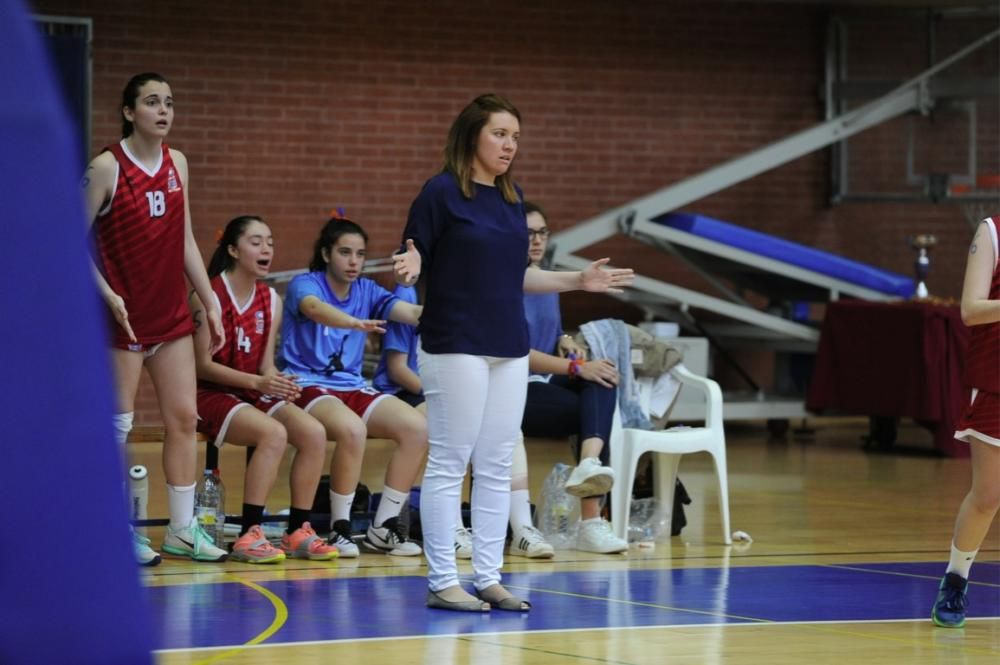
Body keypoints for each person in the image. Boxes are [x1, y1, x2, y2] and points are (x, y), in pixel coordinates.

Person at [402, 93, 634, 612]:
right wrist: (412, 264)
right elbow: (413, 251)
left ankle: (488, 576)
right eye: (499, 134)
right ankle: (443, 581)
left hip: (508, 347)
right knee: (449, 462)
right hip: (455, 343)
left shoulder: (511, 200)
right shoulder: (439, 193)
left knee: (496, 461)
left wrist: (579, 279)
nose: (509, 145)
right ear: (472, 136)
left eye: (515, 137)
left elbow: (519, 276)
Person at [83, 72, 228, 565]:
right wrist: (105, 293)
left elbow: (184, 237)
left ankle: (182, 530)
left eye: (169, 101)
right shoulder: (105, 167)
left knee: (184, 419)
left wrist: (209, 300)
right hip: (121, 320)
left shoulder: (177, 163)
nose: (163, 110)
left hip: (169, 317)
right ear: (129, 112)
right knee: (117, 426)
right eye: (151, 102)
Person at [190, 215, 340, 563]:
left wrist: (279, 382)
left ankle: (299, 530)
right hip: (208, 392)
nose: (266, 249)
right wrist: (259, 382)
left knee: (314, 432)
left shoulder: (270, 298)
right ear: (232, 249)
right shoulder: (208, 295)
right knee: (273, 434)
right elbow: (201, 365)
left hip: (250, 389)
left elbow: (264, 366)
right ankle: (249, 533)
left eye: (269, 242)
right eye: (256, 242)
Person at [279, 215, 427, 558]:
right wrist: (351, 321)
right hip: (307, 383)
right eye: (345, 252)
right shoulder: (307, 283)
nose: (354, 261)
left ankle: (384, 527)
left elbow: (412, 312)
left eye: (360, 254)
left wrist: (454, 307)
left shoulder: (367, 290)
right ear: (327, 253)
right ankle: (340, 529)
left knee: (417, 428)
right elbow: (315, 310)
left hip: (352, 386)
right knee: (352, 429)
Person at [521, 201, 628, 555]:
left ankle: (588, 465)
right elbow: (516, 351)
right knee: (590, 399)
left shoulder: (548, 280)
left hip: (547, 378)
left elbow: (546, 333)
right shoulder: (503, 282)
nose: (536, 240)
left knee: (603, 378)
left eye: (542, 232)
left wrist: (565, 341)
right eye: (528, 233)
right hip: (514, 388)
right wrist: (576, 368)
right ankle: (591, 516)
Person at [932, 214, 1000, 628]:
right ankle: (956, 579)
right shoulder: (992, 231)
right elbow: (970, 311)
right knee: (989, 495)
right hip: (995, 380)